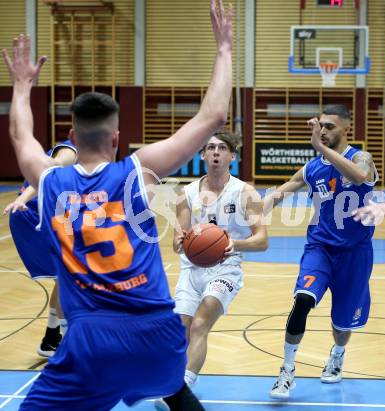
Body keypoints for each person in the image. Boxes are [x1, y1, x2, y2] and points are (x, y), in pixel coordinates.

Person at [2, 0, 232, 409]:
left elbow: (22, 138)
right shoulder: (138, 173)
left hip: (93, 341)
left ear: (71, 134)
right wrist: (224, 48)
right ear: (116, 137)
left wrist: (21, 87)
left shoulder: (51, 181)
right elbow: (213, 116)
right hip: (157, 333)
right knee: (172, 388)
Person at [263, 105, 378, 400]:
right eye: (321, 126)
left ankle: (337, 353)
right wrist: (259, 210)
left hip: (355, 253)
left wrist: (319, 148)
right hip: (320, 248)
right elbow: (289, 185)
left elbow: (360, 175)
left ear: (346, 129)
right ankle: (287, 371)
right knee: (302, 300)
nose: (324, 131)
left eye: (330, 126)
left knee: (342, 322)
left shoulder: (361, 158)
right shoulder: (313, 167)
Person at [164, 132, 267, 396]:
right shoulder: (186, 193)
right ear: (203, 155)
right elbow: (178, 239)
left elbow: (262, 240)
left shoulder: (245, 192)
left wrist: (235, 244)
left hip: (226, 269)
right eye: (210, 148)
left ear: (232, 156)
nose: (216, 152)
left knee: (200, 324)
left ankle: (183, 387)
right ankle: (173, 379)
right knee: (181, 329)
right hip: (191, 269)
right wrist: (181, 241)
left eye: (222, 148)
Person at [4, 139, 76, 357]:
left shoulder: (90, 157)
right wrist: (23, 198)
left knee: (63, 276)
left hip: (48, 216)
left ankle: (51, 340)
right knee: (68, 278)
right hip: (34, 215)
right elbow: (46, 174)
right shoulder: (72, 152)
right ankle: (70, 345)